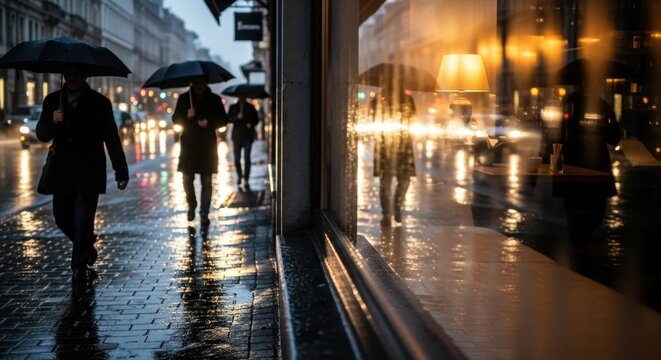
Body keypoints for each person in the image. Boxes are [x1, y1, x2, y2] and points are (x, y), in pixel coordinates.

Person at [36, 65, 129, 283]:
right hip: (62, 171)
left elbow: (112, 139)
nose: (73, 78)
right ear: (63, 76)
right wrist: (53, 121)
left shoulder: (99, 102)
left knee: (83, 220)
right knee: (62, 218)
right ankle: (86, 246)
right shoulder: (52, 101)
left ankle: (78, 266)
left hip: (89, 169)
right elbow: (42, 134)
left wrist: (120, 171)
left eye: (77, 74)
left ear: (85, 75)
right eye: (69, 74)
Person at [553, 80, 621, 248]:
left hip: (572, 169)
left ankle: (577, 251)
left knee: (575, 217)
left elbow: (556, 136)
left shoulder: (569, 104)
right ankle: (582, 249)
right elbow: (615, 138)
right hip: (597, 170)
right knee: (594, 214)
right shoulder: (602, 106)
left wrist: (555, 168)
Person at [172, 76, 228, 225]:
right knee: (187, 179)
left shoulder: (214, 99)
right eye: (195, 83)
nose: (198, 86)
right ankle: (192, 204)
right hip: (189, 146)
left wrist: (209, 123)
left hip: (207, 146)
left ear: (205, 83)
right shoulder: (184, 98)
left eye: (201, 83)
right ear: (191, 83)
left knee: (207, 181)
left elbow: (223, 119)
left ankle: (204, 213)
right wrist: (186, 116)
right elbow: (175, 118)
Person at [370, 85, 416, 227]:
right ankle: (386, 213)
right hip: (385, 147)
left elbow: (413, 117)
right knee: (385, 183)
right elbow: (373, 117)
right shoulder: (379, 100)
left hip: (403, 146)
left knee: (404, 180)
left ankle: (396, 205)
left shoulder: (408, 99)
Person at [227, 92, 260, 191]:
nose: (241, 97)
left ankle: (246, 178)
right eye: (239, 96)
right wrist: (237, 117)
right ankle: (239, 176)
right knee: (237, 159)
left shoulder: (250, 107)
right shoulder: (233, 107)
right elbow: (228, 119)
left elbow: (256, 119)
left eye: (243, 96)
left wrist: (251, 123)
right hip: (237, 136)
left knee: (247, 158)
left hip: (247, 136)